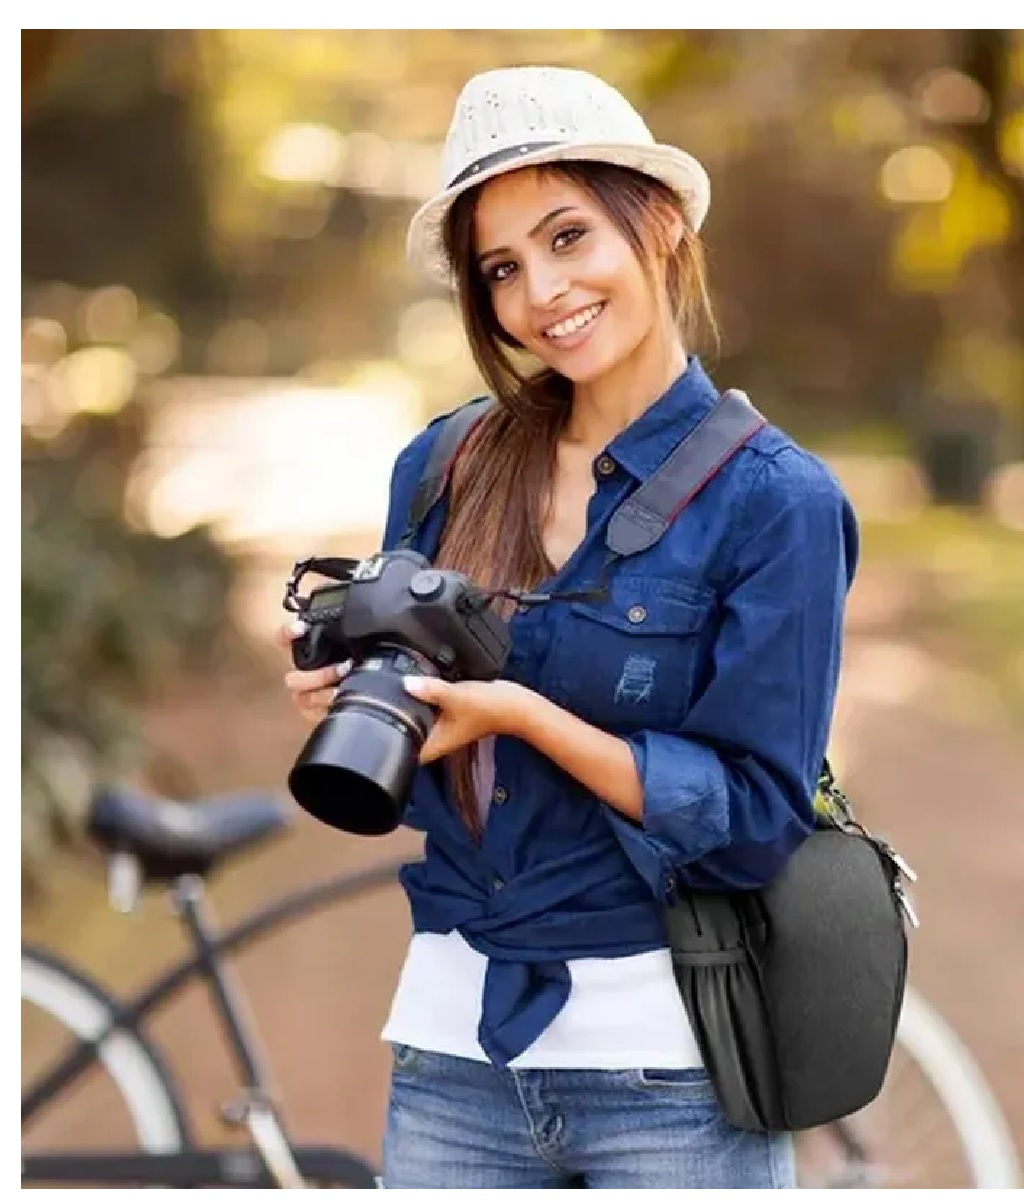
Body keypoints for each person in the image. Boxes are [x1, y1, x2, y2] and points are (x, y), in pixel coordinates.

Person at [280, 64, 859, 1189]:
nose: (540, 292)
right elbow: (458, 801)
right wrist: (372, 704)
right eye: (502, 267)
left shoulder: (777, 502)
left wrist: (529, 719)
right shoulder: (445, 464)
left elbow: (752, 821)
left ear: (663, 226)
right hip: (451, 1061)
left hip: (673, 1084)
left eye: (567, 237)